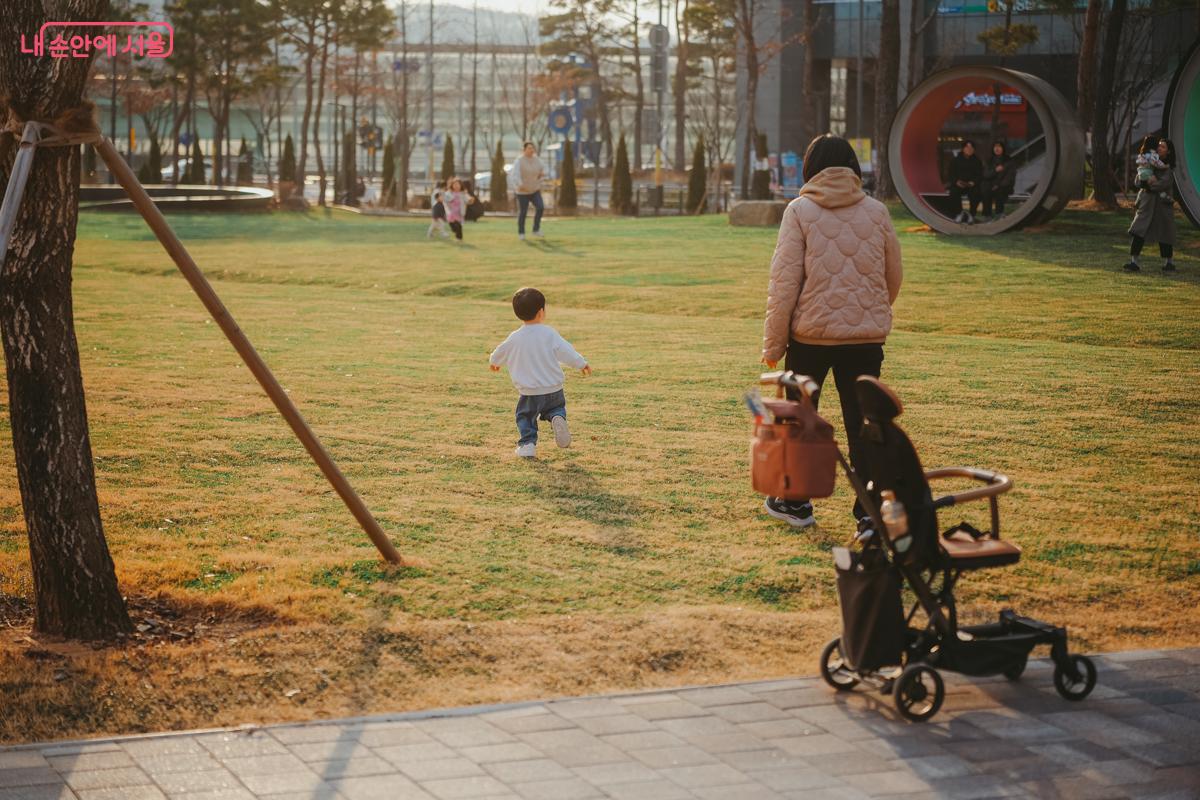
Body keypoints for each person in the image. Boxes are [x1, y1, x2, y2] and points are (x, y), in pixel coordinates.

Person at [761, 134, 903, 534]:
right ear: (853, 167)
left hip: (810, 339)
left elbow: (784, 283)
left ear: (810, 168)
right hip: (865, 341)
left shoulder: (799, 210)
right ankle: (869, 513)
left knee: (800, 420)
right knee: (865, 426)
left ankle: (795, 500)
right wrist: (870, 311)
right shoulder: (876, 211)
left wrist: (773, 344)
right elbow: (893, 274)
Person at [490, 288, 591, 458]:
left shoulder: (515, 337)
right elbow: (566, 351)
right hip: (554, 389)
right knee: (556, 408)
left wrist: (495, 362)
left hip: (530, 392)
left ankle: (527, 445)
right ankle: (557, 417)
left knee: (525, 417)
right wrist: (581, 363)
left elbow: (500, 352)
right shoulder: (549, 333)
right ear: (541, 312)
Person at [1125, 137, 1178, 273]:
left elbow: (1161, 184)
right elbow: (1137, 181)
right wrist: (1144, 182)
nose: (1159, 148)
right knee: (1139, 230)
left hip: (1162, 207)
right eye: (1159, 145)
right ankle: (1133, 262)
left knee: (1165, 234)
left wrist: (1146, 184)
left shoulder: (1168, 169)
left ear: (1169, 151)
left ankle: (1169, 263)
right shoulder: (1149, 161)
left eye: (1163, 147)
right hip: (1147, 204)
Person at [513, 142, 546, 241]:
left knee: (540, 207)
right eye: (529, 148)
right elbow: (515, 175)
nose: (531, 150)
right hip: (523, 192)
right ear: (524, 150)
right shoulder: (519, 161)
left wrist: (541, 175)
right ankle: (521, 233)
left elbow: (543, 170)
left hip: (534, 190)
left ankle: (536, 229)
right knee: (523, 212)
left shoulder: (538, 160)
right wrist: (520, 185)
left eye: (532, 148)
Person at [948, 140, 983, 224]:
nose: (969, 149)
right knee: (953, 192)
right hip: (959, 184)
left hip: (971, 185)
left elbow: (980, 175)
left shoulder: (977, 161)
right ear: (963, 149)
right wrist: (956, 182)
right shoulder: (955, 160)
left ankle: (972, 215)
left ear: (974, 150)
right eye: (967, 147)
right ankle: (959, 213)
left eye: (971, 148)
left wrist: (973, 182)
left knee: (976, 192)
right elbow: (951, 174)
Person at [980, 141, 1015, 221]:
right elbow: (986, 174)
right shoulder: (989, 160)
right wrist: (995, 170)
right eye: (995, 146)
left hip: (1004, 185)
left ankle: (999, 213)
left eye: (999, 146)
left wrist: (998, 185)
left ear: (1003, 148)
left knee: (1000, 190)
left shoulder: (1009, 161)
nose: (997, 148)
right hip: (990, 185)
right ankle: (987, 215)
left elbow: (1009, 177)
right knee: (985, 189)